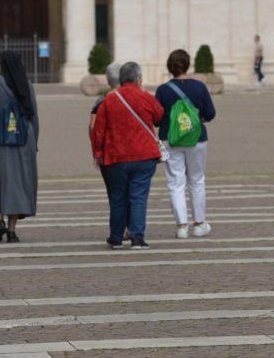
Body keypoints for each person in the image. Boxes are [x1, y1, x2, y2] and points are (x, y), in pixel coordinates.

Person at [91, 62, 164, 249]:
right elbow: (159, 117)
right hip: (144, 156)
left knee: (118, 198)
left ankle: (116, 237)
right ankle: (137, 238)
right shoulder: (146, 97)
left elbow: (98, 130)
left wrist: (97, 153)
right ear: (138, 79)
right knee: (138, 197)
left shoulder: (109, 100)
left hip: (116, 157)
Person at [0, 50, 39, 243]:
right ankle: (12, 230)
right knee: (18, 183)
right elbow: (34, 116)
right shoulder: (27, 85)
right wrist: (34, 142)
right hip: (22, 139)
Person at [154, 49, 216, 239]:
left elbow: (156, 119)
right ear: (188, 65)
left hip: (170, 139)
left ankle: (182, 226)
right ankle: (199, 224)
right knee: (197, 180)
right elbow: (211, 114)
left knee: (175, 183)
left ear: (170, 68)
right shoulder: (199, 87)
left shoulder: (163, 90)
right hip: (196, 139)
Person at [89, 62, 129, 237]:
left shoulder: (101, 101)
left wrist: (96, 152)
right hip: (132, 152)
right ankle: (132, 228)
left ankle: (118, 231)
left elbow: (92, 128)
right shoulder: (132, 98)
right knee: (132, 192)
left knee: (115, 194)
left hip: (108, 155)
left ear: (107, 80)